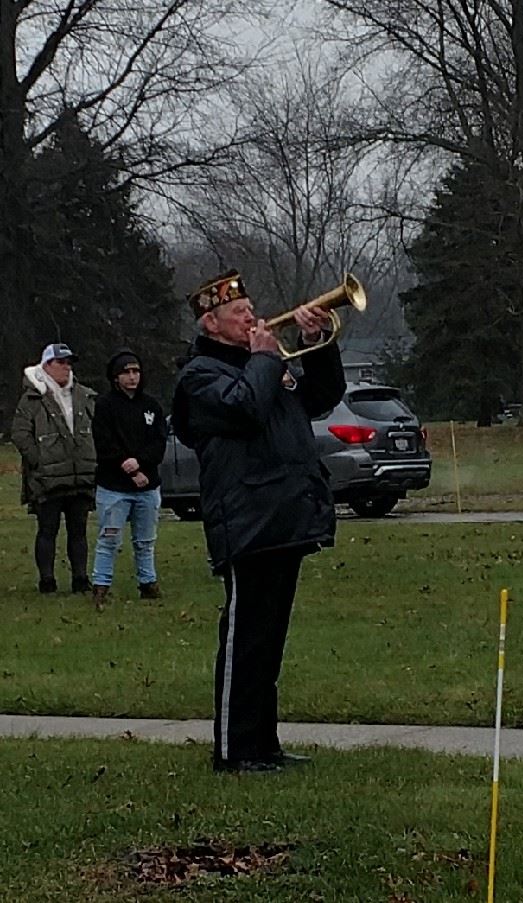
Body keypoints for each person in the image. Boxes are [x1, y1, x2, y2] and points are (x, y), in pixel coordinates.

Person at [172, 269, 345, 773]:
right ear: (211, 324)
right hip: (246, 519)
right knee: (243, 642)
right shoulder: (200, 376)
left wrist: (314, 343)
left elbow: (320, 398)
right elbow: (245, 408)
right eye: (239, 314)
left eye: (251, 310)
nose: (252, 318)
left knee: (268, 644)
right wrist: (267, 359)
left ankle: (262, 745)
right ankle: (231, 749)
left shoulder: (262, 364)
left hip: (284, 515)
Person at [11, 343, 96, 594]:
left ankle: (80, 579)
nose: (66, 368)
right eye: (61, 363)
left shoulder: (84, 395)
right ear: (46, 365)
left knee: (78, 531)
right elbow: (20, 433)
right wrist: (39, 460)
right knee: (47, 529)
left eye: (69, 363)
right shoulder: (32, 398)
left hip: (80, 475)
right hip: (47, 478)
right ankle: (47, 580)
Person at [90, 349, 168, 608]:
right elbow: (104, 443)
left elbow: (158, 442)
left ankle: (148, 583)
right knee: (109, 538)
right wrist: (129, 467)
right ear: (115, 377)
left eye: (136, 371)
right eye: (126, 372)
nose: (132, 377)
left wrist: (143, 465)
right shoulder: (104, 406)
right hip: (114, 487)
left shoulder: (152, 406)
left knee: (145, 540)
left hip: (148, 487)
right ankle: (101, 585)